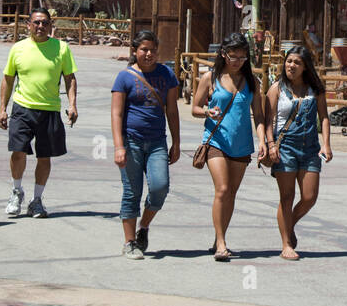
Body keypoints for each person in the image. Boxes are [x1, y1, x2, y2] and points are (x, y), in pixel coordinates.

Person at [191, 32, 266, 261]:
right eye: (233, 56)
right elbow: (194, 107)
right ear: (223, 54)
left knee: (231, 194)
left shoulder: (252, 81)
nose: (237, 61)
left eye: (243, 57)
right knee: (222, 189)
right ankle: (222, 244)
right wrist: (206, 111)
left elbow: (259, 115)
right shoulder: (210, 77)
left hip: (241, 144)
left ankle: (218, 236)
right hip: (216, 141)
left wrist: (262, 140)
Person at [0, 8, 77, 218]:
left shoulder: (62, 49)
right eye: (36, 23)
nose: (40, 27)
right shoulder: (18, 49)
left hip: (50, 110)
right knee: (17, 151)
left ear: (50, 25)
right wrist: (2, 109)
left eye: (44, 23)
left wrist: (73, 104)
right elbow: (8, 79)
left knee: (44, 157)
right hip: (22, 108)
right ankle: (16, 192)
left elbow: (70, 78)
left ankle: (37, 200)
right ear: (28, 25)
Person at [111, 30, 180, 260]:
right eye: (144, 50)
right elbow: (116, 113)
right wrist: (119, 146)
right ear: (135, 51)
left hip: (157, 141)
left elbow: (172, 110)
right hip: (131, 141)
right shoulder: (124, 77)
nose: (149, 54)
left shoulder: (166, 75)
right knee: (132, 192)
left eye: (152, 50)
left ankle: (145, 226)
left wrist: (176, 142)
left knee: (160, 187)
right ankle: (129, 243)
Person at [264, 45, 332, 261]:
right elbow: (268, 120)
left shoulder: (315, 89)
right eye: (289, 61)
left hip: (310, 148)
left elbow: (324, 117)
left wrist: (326, 144)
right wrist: (271, 144)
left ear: (305, 67)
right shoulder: (277, 88)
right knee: (287, 196)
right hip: (285, 148)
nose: (291, 65)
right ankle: (286, 244)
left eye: (297, 62)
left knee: (310, 197)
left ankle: (288, 223)